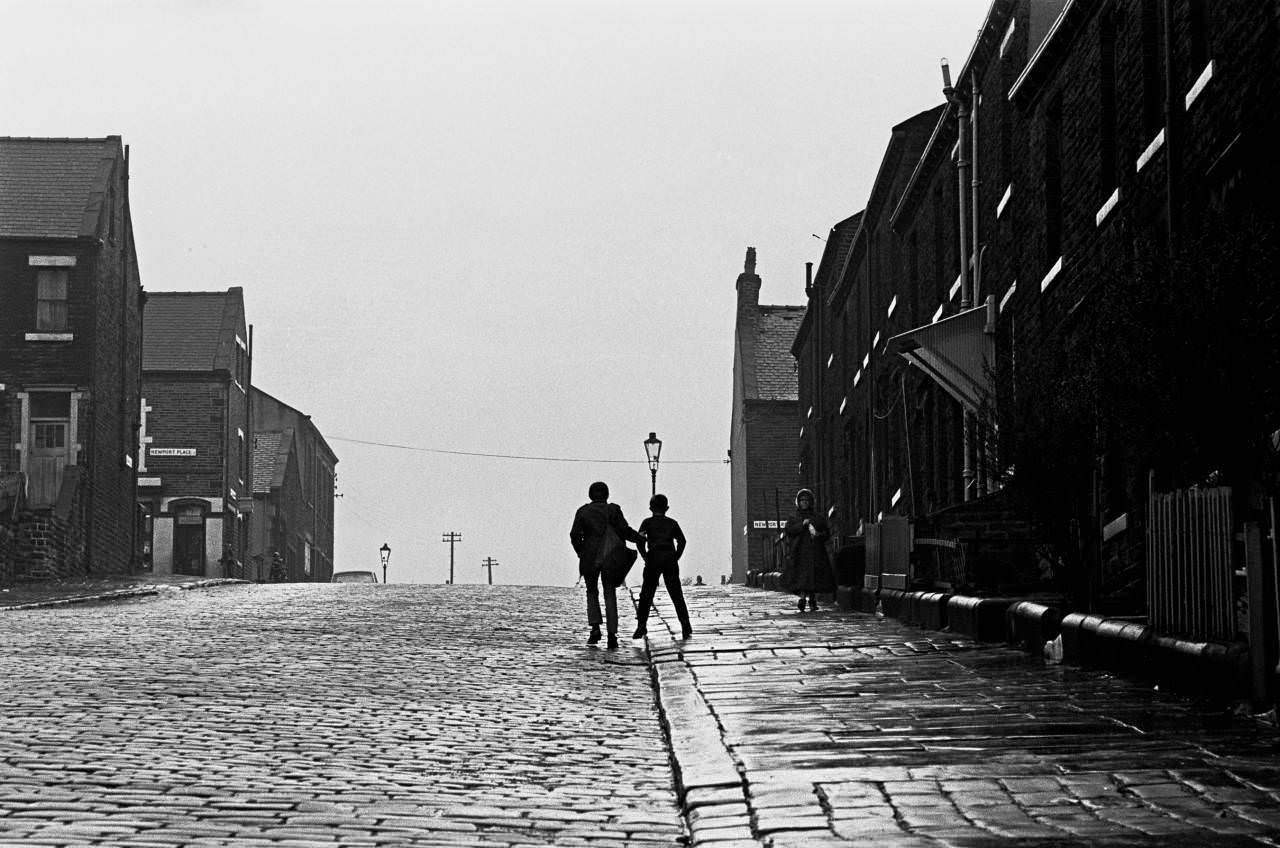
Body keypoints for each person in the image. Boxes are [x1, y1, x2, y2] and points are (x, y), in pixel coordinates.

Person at [570, 481, 644, 650]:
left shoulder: (583, 511)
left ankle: (595, 627)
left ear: (590, 495)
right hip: (611, 556)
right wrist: (639, 538)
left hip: (589, 557)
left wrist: (581, 551)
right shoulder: (613, 510)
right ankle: (612, 634)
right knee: (609, 593)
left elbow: (574, 535)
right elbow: (624, 530)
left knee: (591, 591)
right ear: (607, 494)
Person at [633, 494, 692, 640]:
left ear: (650, 508)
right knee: (676, 593)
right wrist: (676, 556)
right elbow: (682, 541)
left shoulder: (646, 523)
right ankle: (685, 625)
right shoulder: (672, 523)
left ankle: (641, 626)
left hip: (653, 558)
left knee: (646, 593)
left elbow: (639, 541)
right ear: (667, 508)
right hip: (669, 558)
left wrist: (645, 556)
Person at [783, 488, 833, 612]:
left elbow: (826, 533)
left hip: (816, 552)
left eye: (806, 500)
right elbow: (789, 530)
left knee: (815, 577)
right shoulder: (794, 517)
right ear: (798, 502)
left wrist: (817, 535)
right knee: (802, 578)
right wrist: (802, 525)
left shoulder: (818, 517)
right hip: (800, 552)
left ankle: (812, 600)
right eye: (802, 500)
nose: (804, 502)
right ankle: (802, 598)